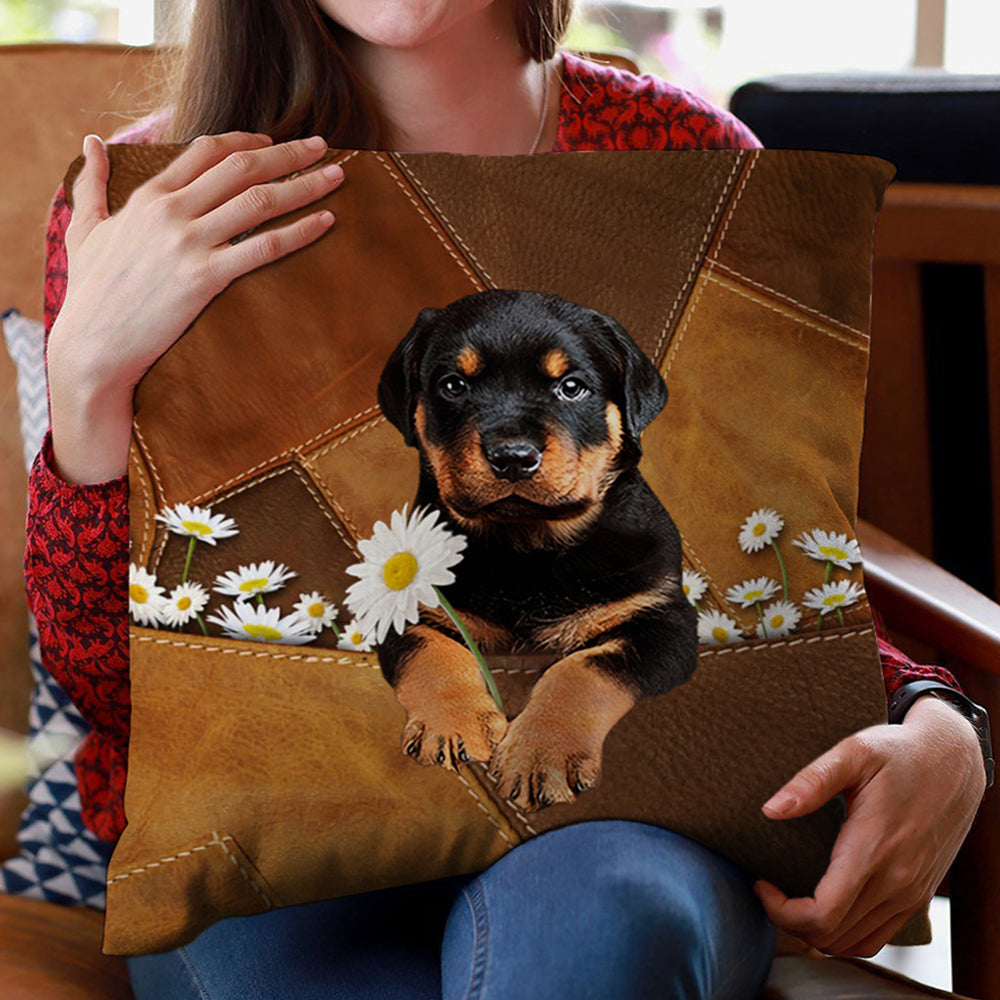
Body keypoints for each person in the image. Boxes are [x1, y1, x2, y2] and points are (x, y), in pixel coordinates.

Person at [25, 1, 987, 997]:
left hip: (620, 818)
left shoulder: (689, 164)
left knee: (603, 921)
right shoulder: (156, 202)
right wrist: (89, 382)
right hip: (273, 817)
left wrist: (935, 713)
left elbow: (756, 553)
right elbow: (107, 681)